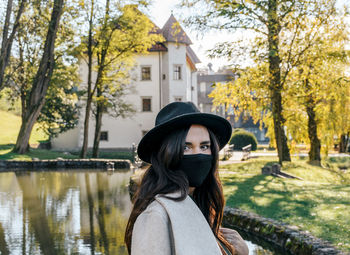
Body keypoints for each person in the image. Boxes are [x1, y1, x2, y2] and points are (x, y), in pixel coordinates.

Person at [125, 102, 248, 255]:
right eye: (186, 147)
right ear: (166, 155)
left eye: (204, 146)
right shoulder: (156, 217)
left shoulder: (200, 205)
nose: (198, 155)